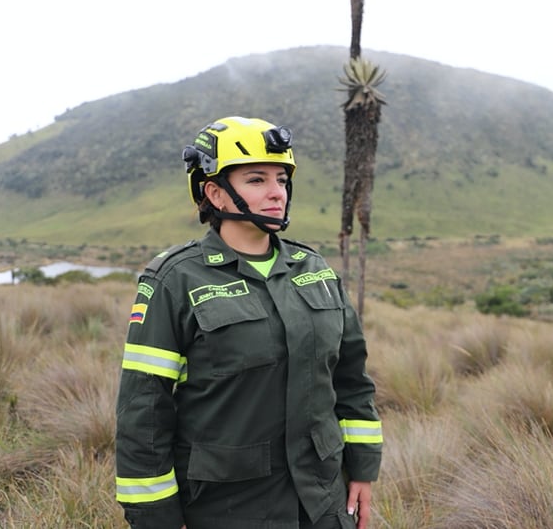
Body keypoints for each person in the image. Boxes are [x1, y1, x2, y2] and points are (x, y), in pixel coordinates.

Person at [115, 116, 383, 529]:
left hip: (323, 503)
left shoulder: (315, 270)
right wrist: (157, 518)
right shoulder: (174, 280)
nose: (277, 193)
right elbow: (144, 410)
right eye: (257, 180)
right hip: (226, 508)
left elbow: (351, 380)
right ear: (215, 193)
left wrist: (363, 469)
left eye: (282, 179)